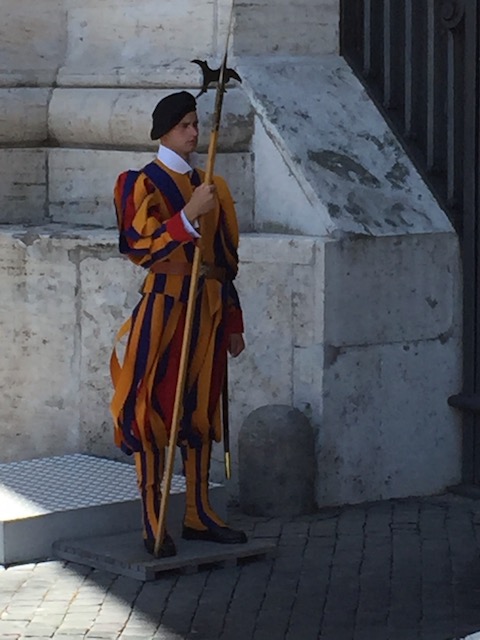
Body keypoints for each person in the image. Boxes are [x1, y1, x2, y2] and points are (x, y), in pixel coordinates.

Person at [110, 91, 247, 557]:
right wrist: (187, 217)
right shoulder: (139, 183)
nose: (194, 132)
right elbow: (136, 246)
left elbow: (224, 261)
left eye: (195, 124)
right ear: (165, 130)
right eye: (185, 125)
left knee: (199, 410)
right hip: (166, 308)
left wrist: (233, 321)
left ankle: (199, 513)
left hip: (206, 308)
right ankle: (153, 520)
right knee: (152, 408)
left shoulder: (212, 185)